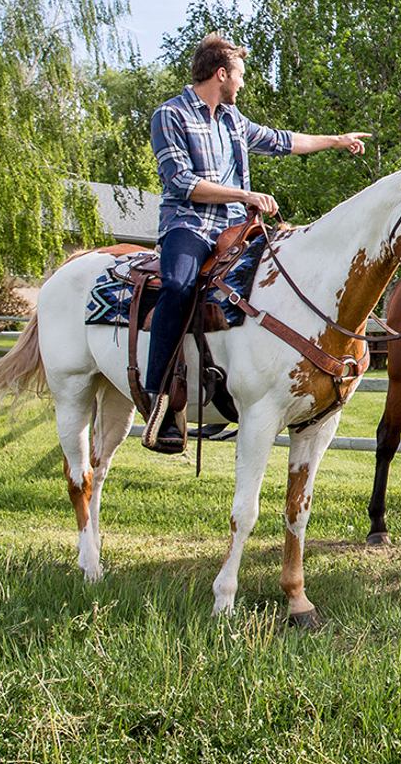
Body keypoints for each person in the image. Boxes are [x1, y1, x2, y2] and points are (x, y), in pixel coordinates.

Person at [140, 33, 370, 453]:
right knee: (176, 286)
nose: (243, 84)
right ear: (221, 73)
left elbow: (283, 141)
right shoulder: (169, 115)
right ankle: (158, 397)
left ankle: (249, 384)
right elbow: (181, 182)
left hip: (237, 231)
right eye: (240, 75)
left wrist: (335, 140)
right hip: (189, 226)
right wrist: (245, 196)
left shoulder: (233, 119)